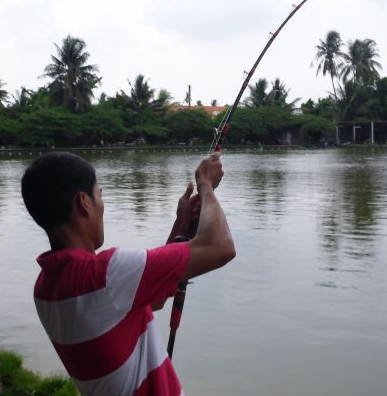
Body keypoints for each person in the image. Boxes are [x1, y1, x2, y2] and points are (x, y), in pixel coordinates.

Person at [21, 151, 235, 396]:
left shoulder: (46, 288)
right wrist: (206, 185)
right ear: (84, 203)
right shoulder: (106, 275)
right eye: (99, 195)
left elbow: (151, 300)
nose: (103, 206)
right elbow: (220, 246)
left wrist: (181, 226)